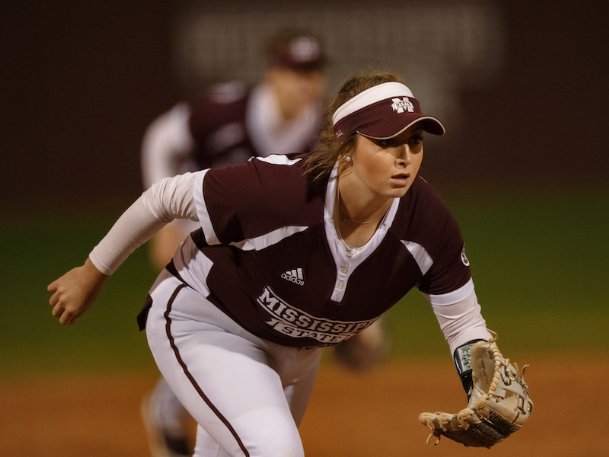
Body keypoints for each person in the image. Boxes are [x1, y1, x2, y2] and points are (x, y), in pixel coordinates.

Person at [48, 70, 500, 456]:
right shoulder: (280, 190)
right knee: (275, 450)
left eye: (415, 140)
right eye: (386, 141)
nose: (405, 156)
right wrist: (94, 271)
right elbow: (165, 197)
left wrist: (482, 387)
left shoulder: (429, 225)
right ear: (346, 146)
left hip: (296, 356)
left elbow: (465, 326)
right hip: (206, 323)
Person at [139, 28, 387, 456]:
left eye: (313, 71)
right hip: (202, 228)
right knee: (217, 326)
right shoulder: (224, 111)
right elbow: (160, 139)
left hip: (266, 246)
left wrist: (362, 314)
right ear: (271, 73)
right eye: (295, 71)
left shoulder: (328, 135)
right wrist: (165, 224)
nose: (305, 82)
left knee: (259, 327)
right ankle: (172, 408)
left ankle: (175, 410)